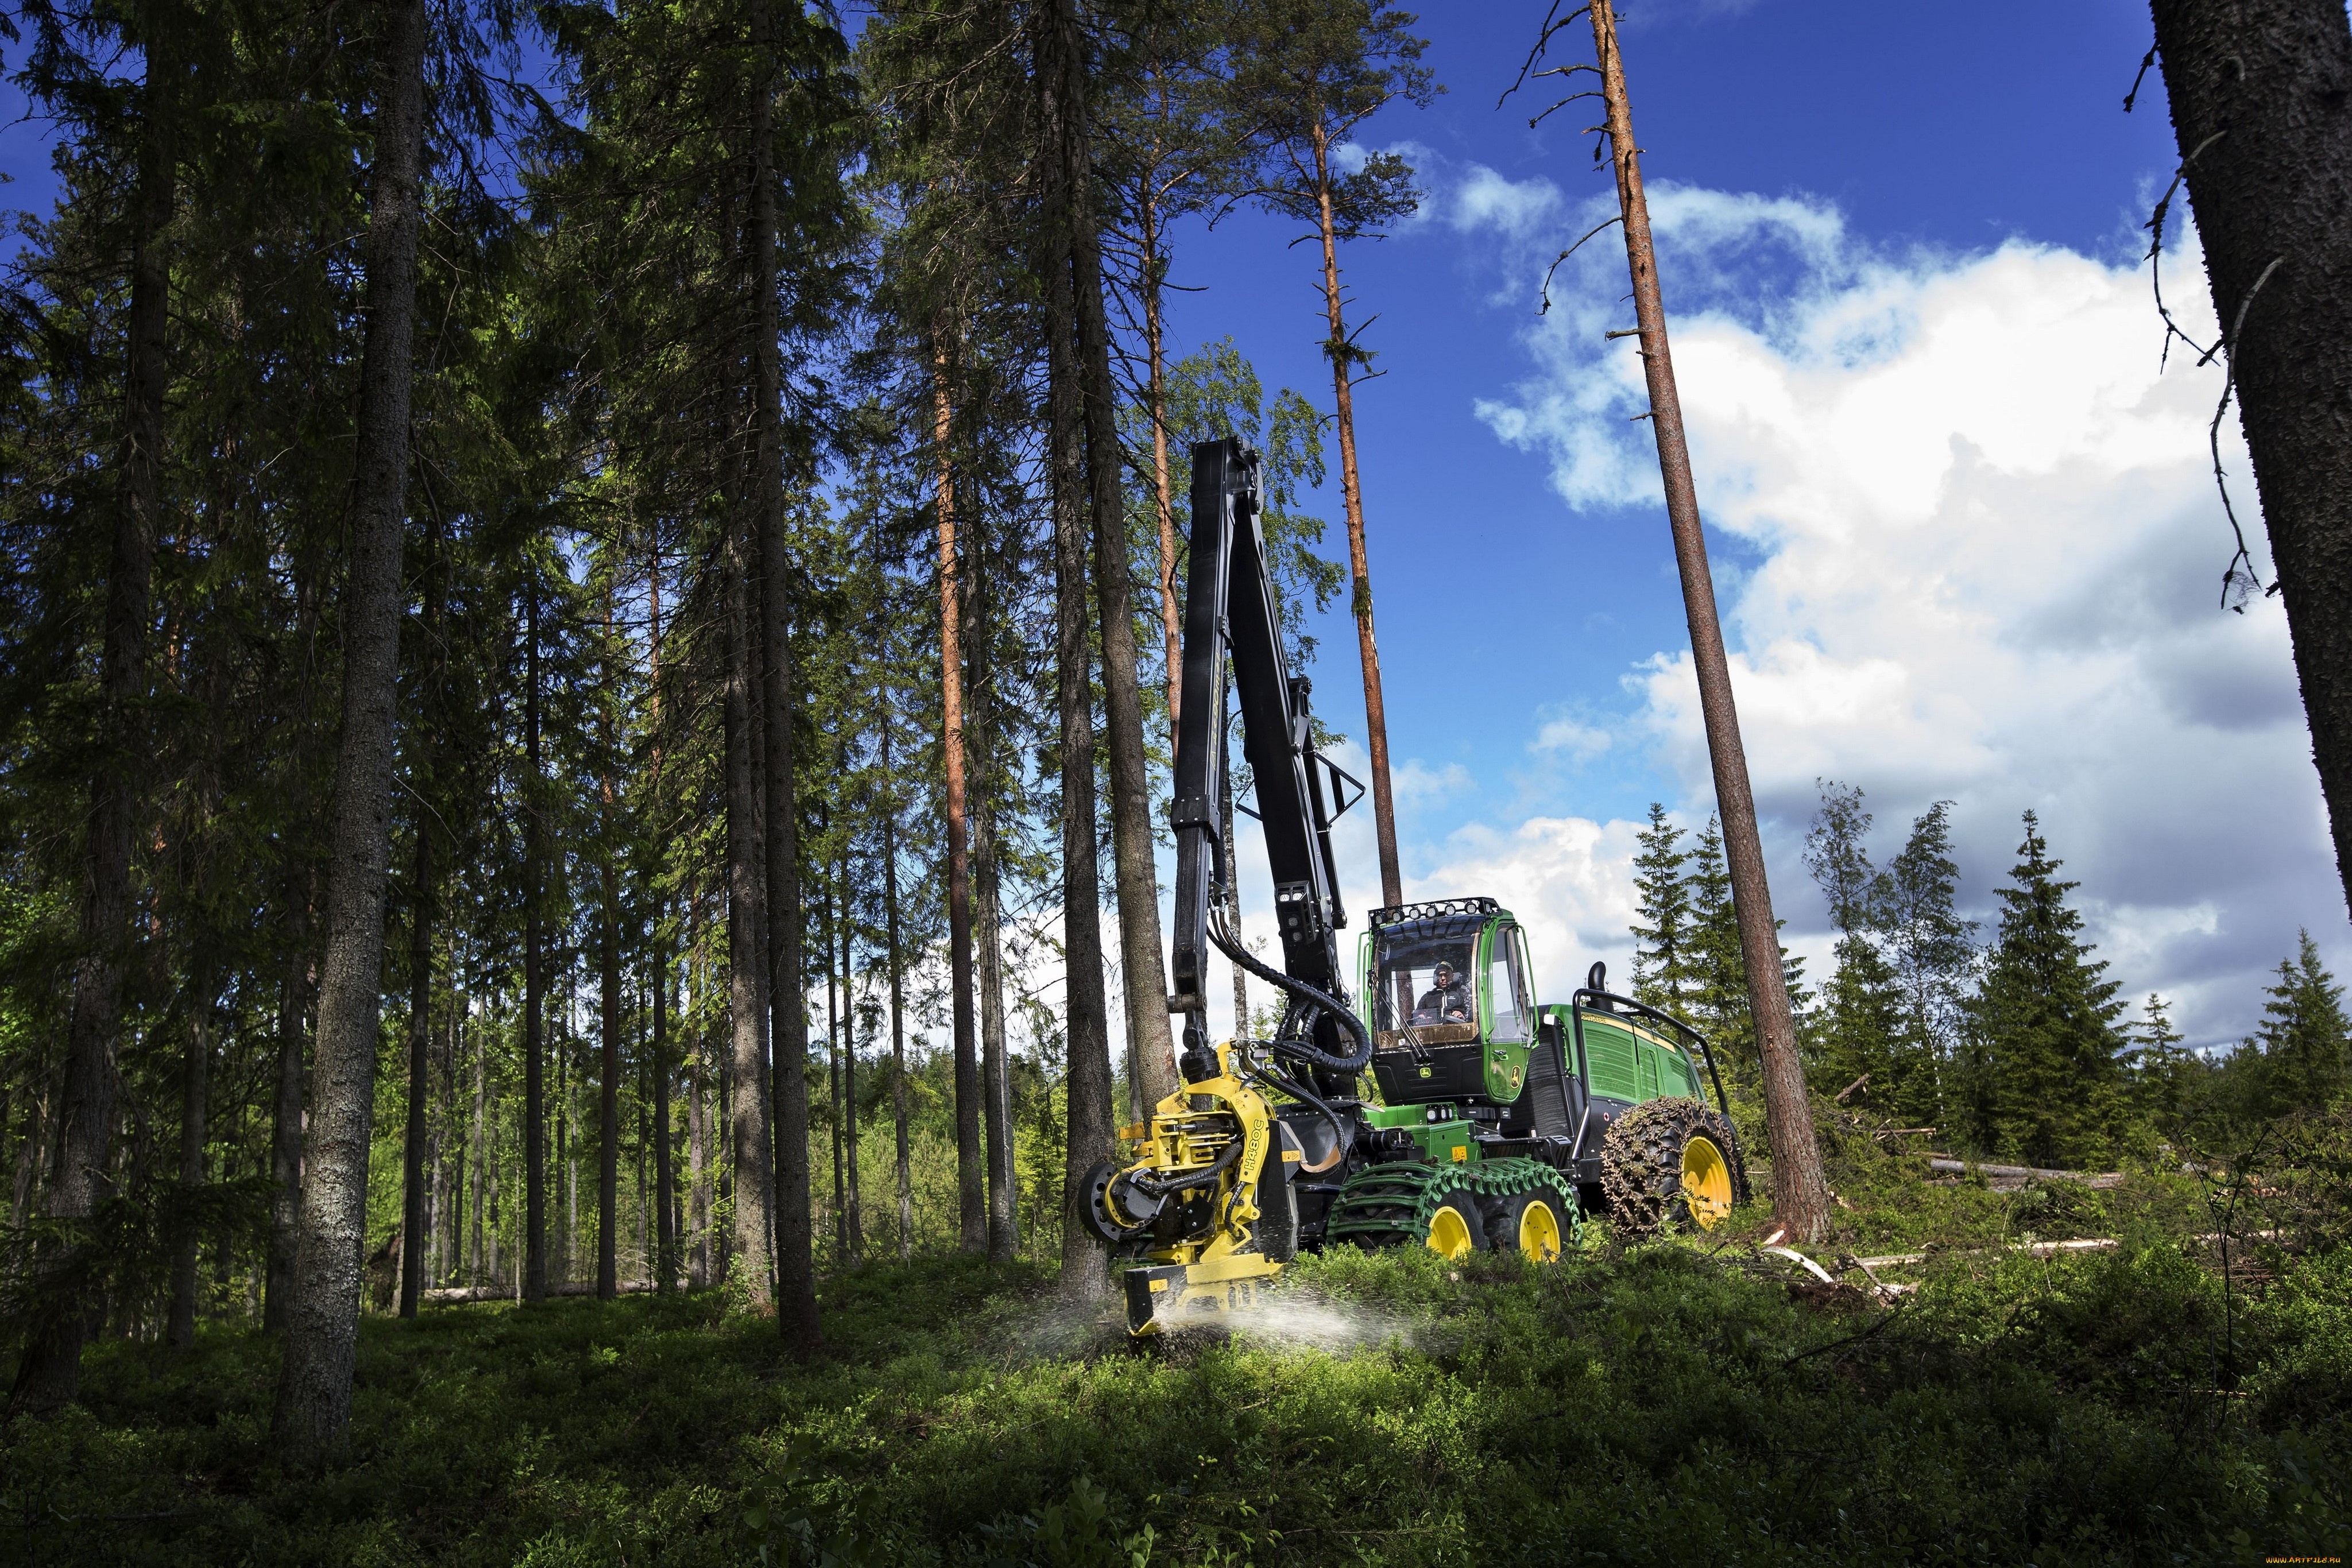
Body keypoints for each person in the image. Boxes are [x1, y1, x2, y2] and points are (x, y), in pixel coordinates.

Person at [1413, 960, 1473, 1025]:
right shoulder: (1427, 997)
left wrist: (1464, 1017)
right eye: (1440, 975)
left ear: (1452, 976)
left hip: (1459, 1031)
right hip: (1432, 1032)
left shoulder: (1462, 994)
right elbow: (1414, 1018)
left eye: (1446, 975)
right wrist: (1419, 1017)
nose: (1443, 978)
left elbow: (1474, 1017)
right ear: (1436, 977)